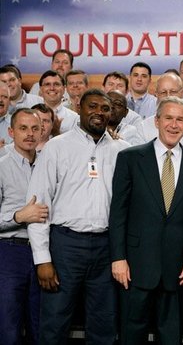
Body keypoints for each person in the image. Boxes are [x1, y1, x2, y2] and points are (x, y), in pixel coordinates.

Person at [26, 88, 130, 344]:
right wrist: (42, 259)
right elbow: (38, 205)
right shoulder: (56, 147)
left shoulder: (122, 150)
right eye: (92, 106)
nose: (99, 113)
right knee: (54, 322)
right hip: (65, 245)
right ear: (79, 110)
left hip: (107, 247)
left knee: (104, 325)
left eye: (105, 109)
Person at [109, 96, 183, 345]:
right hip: (135, 266)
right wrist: (118, 258)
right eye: (169, 118)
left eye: (180, 120)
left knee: (172, 337)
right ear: (156, 121)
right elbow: (118, 212)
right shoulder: (130, 158)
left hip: (178, 268)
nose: (174, 125)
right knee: (131, 335)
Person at [0, 108, 48, 345]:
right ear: (11, 132)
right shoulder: (1, 165)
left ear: (42, 131)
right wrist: (19, 216)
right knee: (8, 326)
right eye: (23, 128)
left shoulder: (49, 165)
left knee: (41, 326)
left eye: (35, 128)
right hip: (10, 251)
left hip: (45, 253)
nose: (29, 134)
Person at [0, 83, 12, 147]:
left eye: (4, 97)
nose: (0, 100)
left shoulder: (16, 123)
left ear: (9, 100)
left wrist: (4, 150)